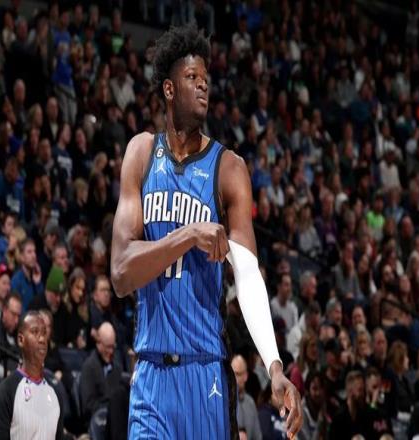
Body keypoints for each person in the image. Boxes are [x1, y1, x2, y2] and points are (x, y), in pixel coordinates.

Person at [111, 24, 301, 439]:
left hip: (205, 374)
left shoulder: (229, 168)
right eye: (191, 77)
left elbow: (247, 274)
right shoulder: (141, 153)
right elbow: (121, 273)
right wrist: (188, 236)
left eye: (206, 79)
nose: (203, 86)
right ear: (168, 89)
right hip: (151, 375)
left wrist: (273, 364)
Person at [0, 310, 64, 439]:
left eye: (44, 333)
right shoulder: (5, 391)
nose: (42, 339)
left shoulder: (55, 393)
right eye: (35, 332)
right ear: (21, 340)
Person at [80, 322, 128, 435]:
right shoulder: (89, 367)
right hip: (98, 420)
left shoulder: (117, 366)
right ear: (99, 343)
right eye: (108, 347)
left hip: (116, 419)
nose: (111, 351)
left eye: (113, 347)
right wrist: (111, 406)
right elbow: (88, 405)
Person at [232, 354, 262, 440]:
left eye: (237, 374)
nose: (234, 378)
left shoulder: (250, 403)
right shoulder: (221, 402)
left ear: (245, 376)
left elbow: (258, 437)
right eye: (232, 374)